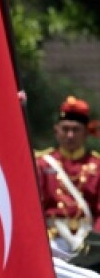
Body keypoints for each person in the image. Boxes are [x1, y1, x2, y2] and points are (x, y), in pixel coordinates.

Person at [36, 96, 100, 260]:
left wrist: (95, 241)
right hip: (50, 241)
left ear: (86, 132)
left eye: (76, 129)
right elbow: (33, 206)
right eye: (65, 129)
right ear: (56, 130)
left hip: (87, 244)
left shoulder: (97, 165)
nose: (70, 135)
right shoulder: (42, 164)